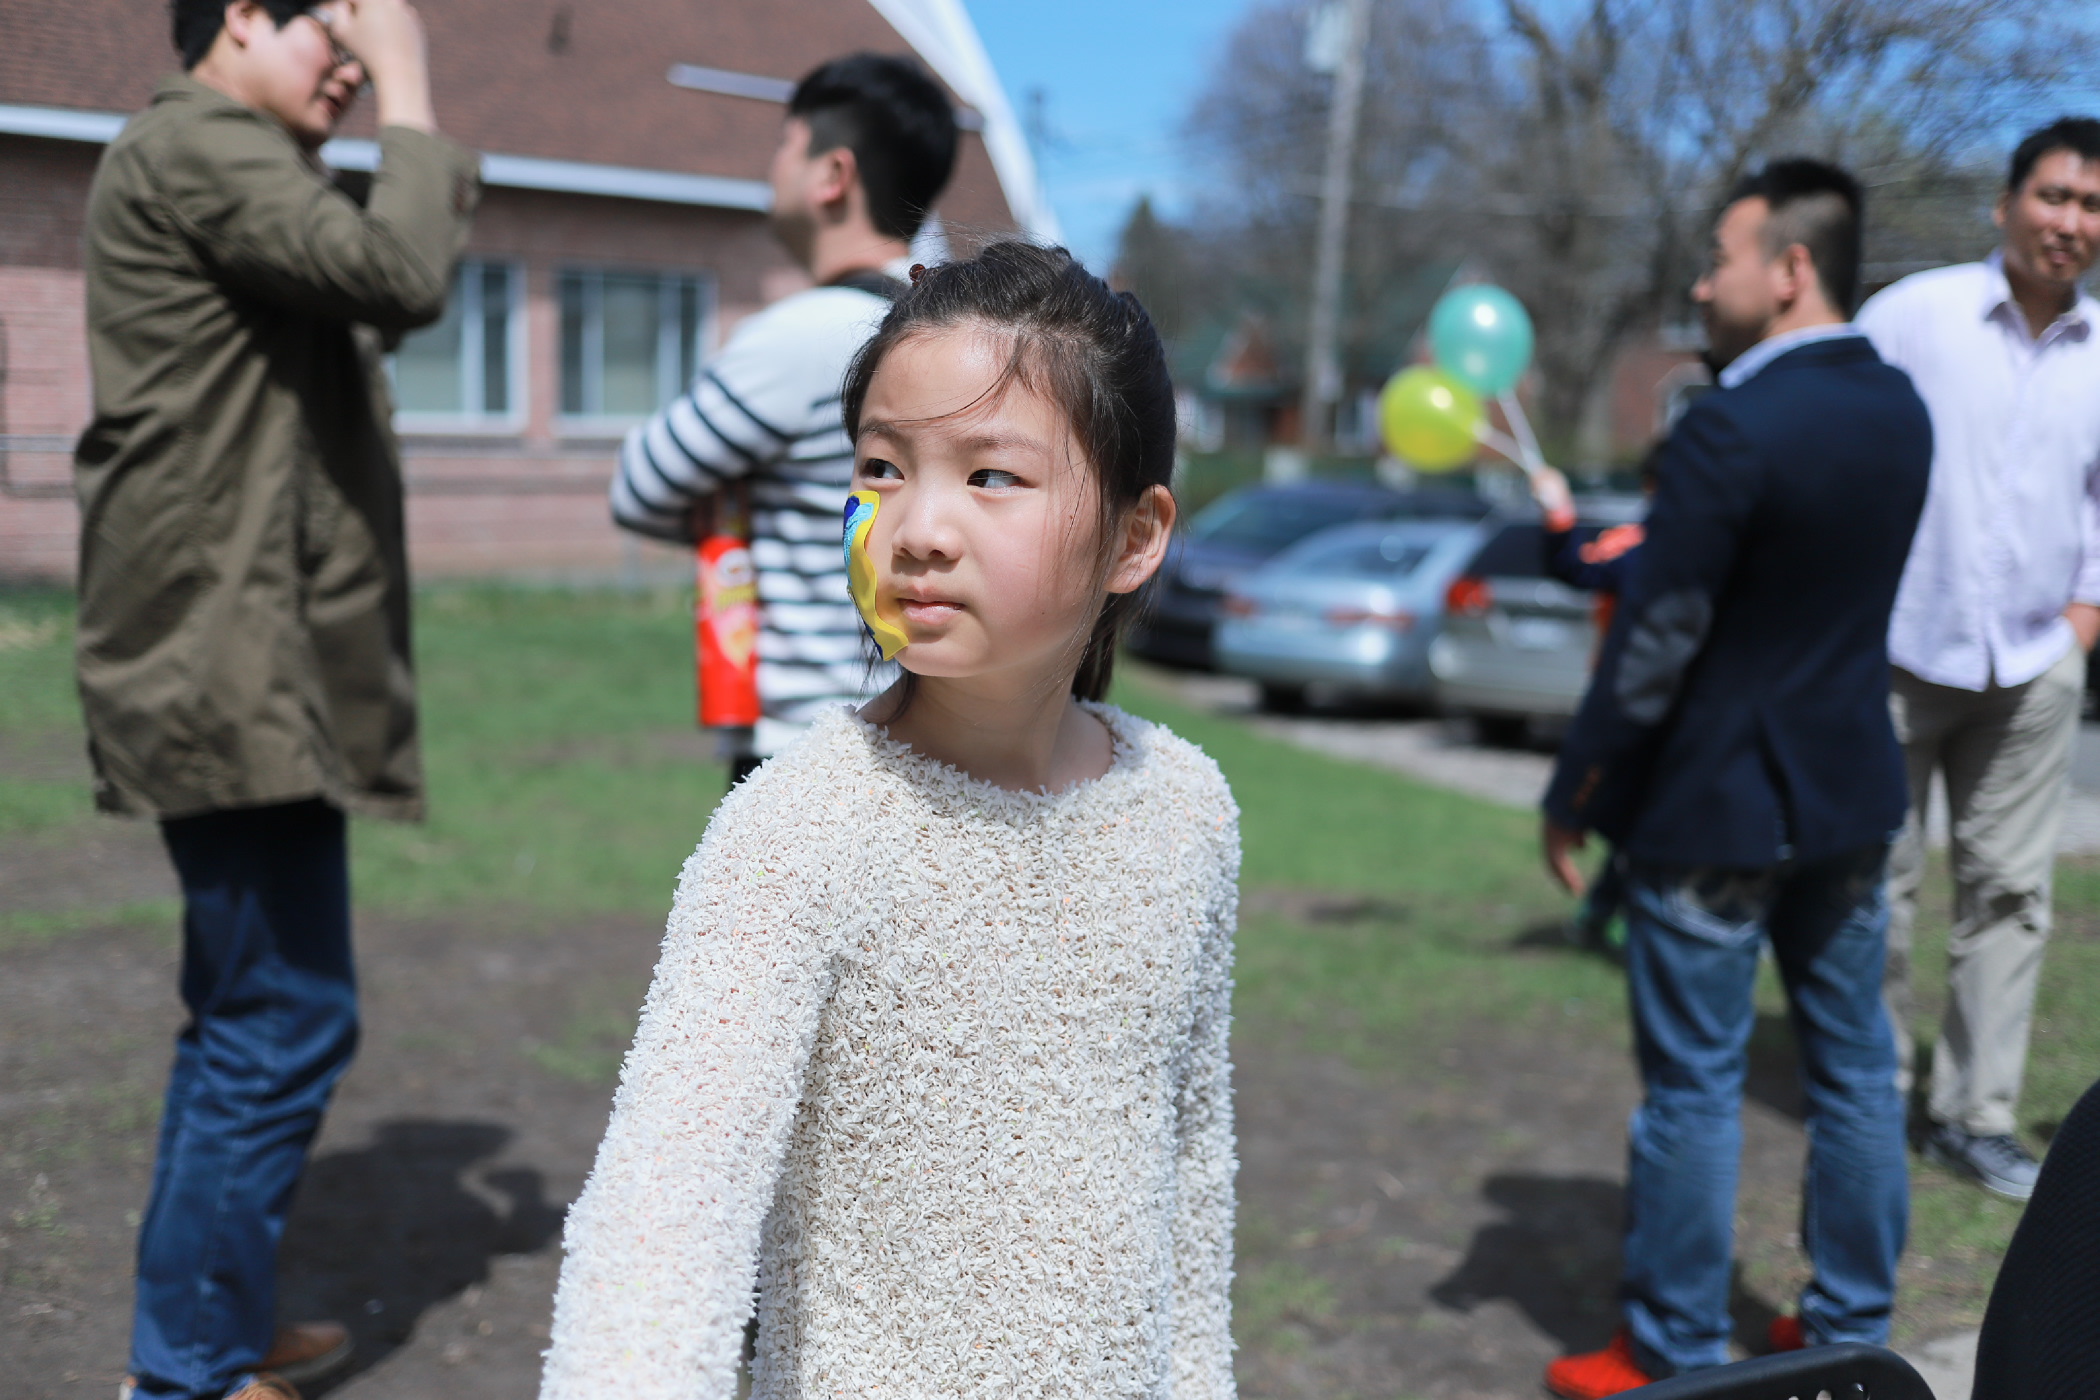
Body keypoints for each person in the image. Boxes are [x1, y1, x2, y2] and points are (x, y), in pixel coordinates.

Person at [538, 243, 1237, 1399]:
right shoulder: (798, 828)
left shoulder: (1185, 808)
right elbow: (666, 1214)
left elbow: (1193, 1171)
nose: (916, 527)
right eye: (880, 467)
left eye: (990, 474)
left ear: (1134, 535)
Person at [76, 2, 478, 1397]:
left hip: (242, 660)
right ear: (241, 15)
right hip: (222, 665)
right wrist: (412, 67)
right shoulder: (199, 146)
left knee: (248, 1009)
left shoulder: (233, 164)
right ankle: (185, 1370)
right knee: (281, 1017)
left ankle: (210, 1327)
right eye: (335, 23)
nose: (356, 59)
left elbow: (366, 283)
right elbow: (401, 271)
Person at [1535, 160, 1930, 1397]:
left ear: (1791, 268)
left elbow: (1657, 639)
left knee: (1696, 1086)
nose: (1703, 286)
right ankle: (1850, 1329)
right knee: (1854, 1069)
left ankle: (1672, 1350)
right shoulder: (1903, 409)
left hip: (1716, 803)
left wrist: (1578, 791)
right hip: (1851, 793)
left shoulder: (1731, 424)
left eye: (1720, 258)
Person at [1855, 117, 2100, 1202]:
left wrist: (2082, 624)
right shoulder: (1915, 316)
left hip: (2035, 664)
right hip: (1897, 651)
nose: (2070, 221)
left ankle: (1974, 1117)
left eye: (2091, 206)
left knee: (2010, 895)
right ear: (2005, 205)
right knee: (1873, 884)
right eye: (2054, 196)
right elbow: (1841, 445)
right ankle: (1868, 1091)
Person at [609, 53, 960, 783]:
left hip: (798, 747)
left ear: (832, 174)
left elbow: (638, 487)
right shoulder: (946, 335)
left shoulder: (799, 336)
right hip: (919, 734)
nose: (771, 167)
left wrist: (739, 502)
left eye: (784, 145)